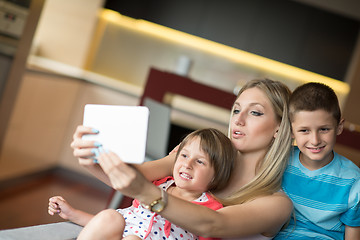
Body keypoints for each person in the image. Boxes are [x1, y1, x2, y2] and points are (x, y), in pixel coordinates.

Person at [70, 78, 294, 239]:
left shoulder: (276, 204)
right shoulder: (198, 154)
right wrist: (92, 160)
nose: (239, 120)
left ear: (279, 128)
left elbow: (212, 224)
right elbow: (133, 179)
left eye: (255, 112)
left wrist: (144, 191)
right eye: (236, 110)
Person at [49, 128, 237, 240]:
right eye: (184, 156)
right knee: (110, 217)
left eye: (200, 161)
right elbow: (119, 225)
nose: (187, 164)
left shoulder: (211, 208)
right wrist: (72, 214)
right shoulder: (157, 186)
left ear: (217, 175)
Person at [274, 82, 360, 240]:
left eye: (324, 129)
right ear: (291, 131)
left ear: (339, 127)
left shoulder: (354, 181)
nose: (314, 140)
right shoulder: (279, 161)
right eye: (304, 130)